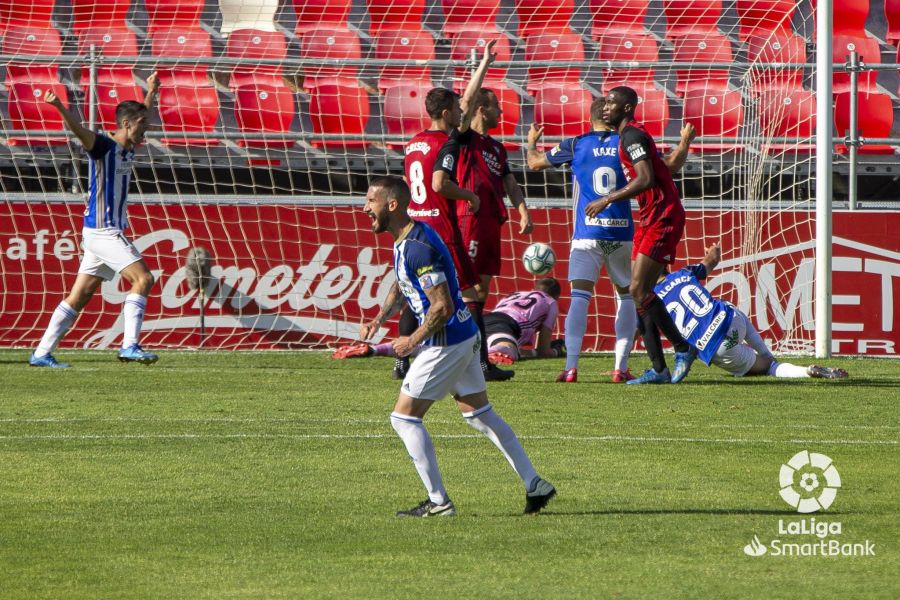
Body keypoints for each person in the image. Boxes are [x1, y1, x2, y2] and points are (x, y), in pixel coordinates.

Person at [359, 176, 556, 517]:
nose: (365, 208)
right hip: (464, 336)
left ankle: (439, 502)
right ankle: (535, 484)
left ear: (392, 205)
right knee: (480, 414)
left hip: (445, 342)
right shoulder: (408, 239)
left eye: (371, 201)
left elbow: (442, 306)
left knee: (403, 419)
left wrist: (412, 340)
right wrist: (379, 319)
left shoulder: (419, 246)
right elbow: (402, 283)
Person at [526, 97, 694, 383]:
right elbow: (670, 166)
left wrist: (531, 142)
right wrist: (684, 143)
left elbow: (533, 163)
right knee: (628, 297)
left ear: (592, 117)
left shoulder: (577, 144)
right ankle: (621, 367)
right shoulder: (626, 142)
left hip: (587, 232)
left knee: (580, 296)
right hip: (623, 232)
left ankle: (570, 368)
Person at [29, 74, 161, 368]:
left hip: (97, 233)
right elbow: (79, 131)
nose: (147, 130)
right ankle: (130, 346)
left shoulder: (128, 144)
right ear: (127, 124)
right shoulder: (102, 145)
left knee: (80, 295)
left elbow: (143, 113)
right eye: (142, 125)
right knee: (144, 279)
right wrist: (59, 107)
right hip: (104, 231)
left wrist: (151, 91)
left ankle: (41, 353)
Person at [399, 40, 511, 382]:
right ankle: (479, 364)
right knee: (470, 293)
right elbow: (438, 185)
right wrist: (469, 196)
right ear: (447, 113)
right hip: (442, 230)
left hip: (413, 226)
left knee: (418, 292)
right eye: (457, 111)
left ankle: (402, 361)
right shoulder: (447, 142)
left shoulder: (412, 141)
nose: (462, 114)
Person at [586, 85, 698, 385]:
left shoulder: (632, 136)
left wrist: (606, 198)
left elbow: (647, 178)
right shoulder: (630, 135)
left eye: (611, 102)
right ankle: (659, 369)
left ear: (626, 108)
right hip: (650, 217)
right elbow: (665, 168)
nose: (604, 106)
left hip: (663, 216)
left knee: (638, 289)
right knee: (638, 293)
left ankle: (683, 347)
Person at [437, 88, 534, 380]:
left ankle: (476, 362)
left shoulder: (497, 148)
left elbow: (510, 182)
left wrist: (522, 210)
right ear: (481, 109)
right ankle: (468, 360)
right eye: (496, 108)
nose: (501, 113)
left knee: (480, 293)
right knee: (464, 290)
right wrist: (484, 65)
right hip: (471, 220)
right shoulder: (465, 139)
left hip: (493, 222)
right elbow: (464, 105)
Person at [655, 243, 849, 380]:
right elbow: (712, 259)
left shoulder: (650, 300)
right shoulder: (683, 273)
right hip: (731, 318)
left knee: (767, 368)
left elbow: (636, 330)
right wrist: (714, 250)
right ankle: (774, 360)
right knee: (769, 359)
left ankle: (804, 371)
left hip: (716, 345)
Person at [333, 277, 563, 364]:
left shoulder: (513, 295)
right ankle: (495, 355)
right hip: (506, 327)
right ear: (556, 295)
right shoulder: (551, 302)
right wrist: (554, 352)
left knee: (436, 348)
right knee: (504, 349)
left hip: (485, 319)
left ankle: (373, 350)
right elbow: (542, 349)